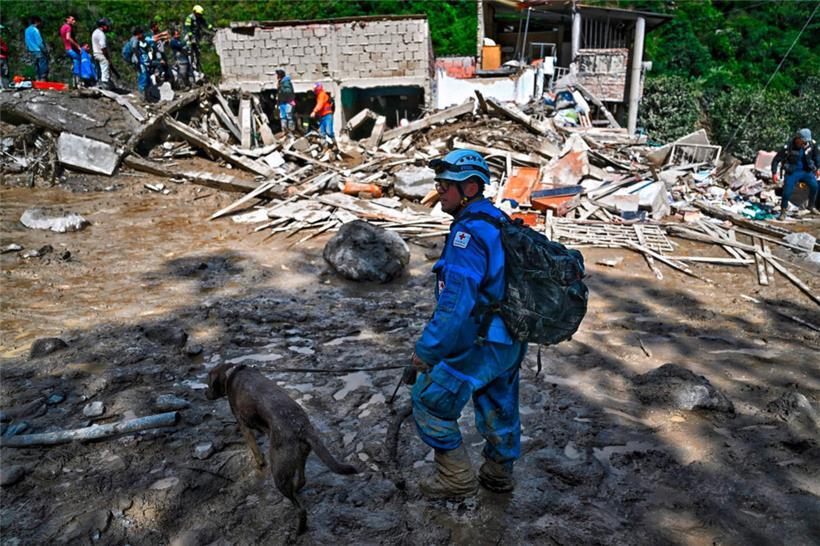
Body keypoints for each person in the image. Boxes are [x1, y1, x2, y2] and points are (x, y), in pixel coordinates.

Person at [408, 149, 528, 499]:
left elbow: (455, 304)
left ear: (471, 188)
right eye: (439, 184)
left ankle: (456, 480)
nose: (440, 192)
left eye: (446, 186)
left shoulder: (468, 234)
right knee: (499, 403)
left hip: (482, 342)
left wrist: (425, 351)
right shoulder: (497, 220)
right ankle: (498, 475)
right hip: (511, 338)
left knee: (430, 401)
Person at [771, 128, 820, 220]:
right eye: (803, 141)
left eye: (806, 141)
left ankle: (811, 206)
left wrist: (817, 168)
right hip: (792, 172)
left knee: (814, 186)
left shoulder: (811, 145)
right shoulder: (789, 147)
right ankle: (783, 211)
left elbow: (816, 156)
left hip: (807, 171)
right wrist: (774, 173)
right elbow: (776, 160)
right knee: (787, 191)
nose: (805, 143)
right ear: (798, 138)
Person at [183, 4, 212, 75]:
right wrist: (189, 32)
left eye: (200, 14)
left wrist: (210, 27)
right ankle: (189, 62)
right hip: (189, 36)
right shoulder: (190, 17)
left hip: (196, 36)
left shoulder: (200, 18)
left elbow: (205, 23)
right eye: (198, 14)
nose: (199, 15)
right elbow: (187, 26)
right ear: (195, 12)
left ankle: (197, 66)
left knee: (197, 52)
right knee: (189, 49)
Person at [25, 16, 49, 80]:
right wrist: (45, 50)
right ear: (36, 22)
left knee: (35, 66)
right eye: (39, 22)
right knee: (43, 65)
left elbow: (26, 41)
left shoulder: (27, 30)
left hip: (31, 51)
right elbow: (39, 42)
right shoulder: (35, 30)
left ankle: (37, 79)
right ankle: (43, 79)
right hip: (38, 50)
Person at [60, 15, 81, 87]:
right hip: (71, 49)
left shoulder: (63, 27)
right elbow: (68, 37)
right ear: (67, 19)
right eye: (72, 19)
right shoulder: (68, 27)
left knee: (74, 64)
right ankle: (78, 83)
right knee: (77, 61)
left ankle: (73, 82)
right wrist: (78, 46)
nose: (74, 21)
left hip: (67, 49)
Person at [92, 18, 112, 90]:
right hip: (101, 54)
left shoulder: (95, 32)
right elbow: (103, 46)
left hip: (95, 54)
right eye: (107, 26)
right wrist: (107, 57)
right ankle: (105, 86)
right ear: (103, 26)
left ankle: (99, 84)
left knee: (99, 71)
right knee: (105, 70)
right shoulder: (101, 34)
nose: (108, 27)